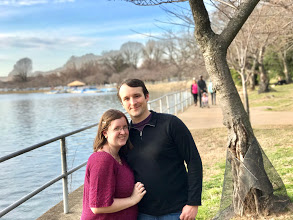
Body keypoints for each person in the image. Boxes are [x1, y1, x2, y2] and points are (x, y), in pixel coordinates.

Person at [118, 79, 203, 220]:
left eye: (137, 96)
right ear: (122, 103)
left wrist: (193, 203)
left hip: (177, 211)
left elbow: (193, 161)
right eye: (126, 98)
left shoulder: (170, 124)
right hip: (141, 213)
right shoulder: (124, 135)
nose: (132, 102)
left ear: (147, 96)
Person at [81, 109, 146, 220]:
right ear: (105, 133)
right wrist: (133, 199)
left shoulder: (119, 157)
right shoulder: (101, 159)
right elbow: (98, 206)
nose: (123, 132)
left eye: (125, 127)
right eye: (117, 128)